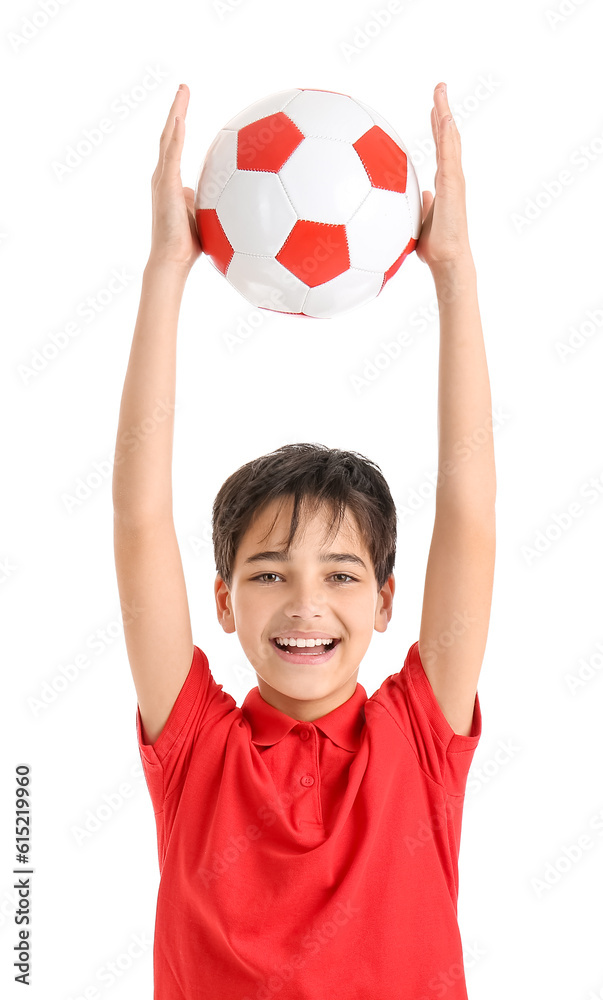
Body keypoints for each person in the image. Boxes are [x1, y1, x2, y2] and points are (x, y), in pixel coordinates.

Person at [112, 81, 496, 999]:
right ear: (222, 601)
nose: (306, 603)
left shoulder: (417, 734)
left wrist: (456, 276)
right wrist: (167, 266)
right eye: (270, 573)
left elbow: (469, 514)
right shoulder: (197, 742)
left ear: (387, 600)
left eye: (341, 572)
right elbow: (137, 521)